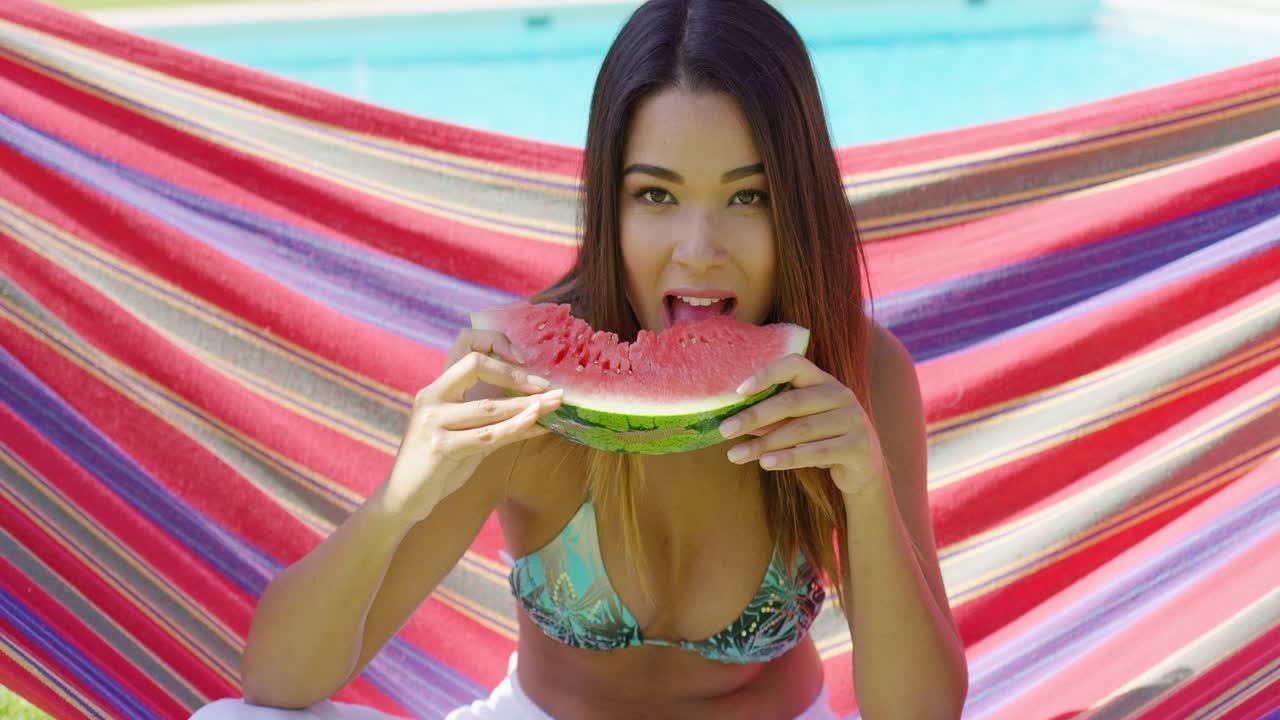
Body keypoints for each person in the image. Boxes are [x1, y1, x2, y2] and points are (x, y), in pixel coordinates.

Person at [190, 0, 968, 718]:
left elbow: (923, 713)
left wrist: (864, 490)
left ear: (800, 203)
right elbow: (275, 682)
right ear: (608, 202)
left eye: (748, 197)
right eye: (655, 196)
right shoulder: (523, 380)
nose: (698, 253)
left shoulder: (858, 375)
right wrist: (400, 495)